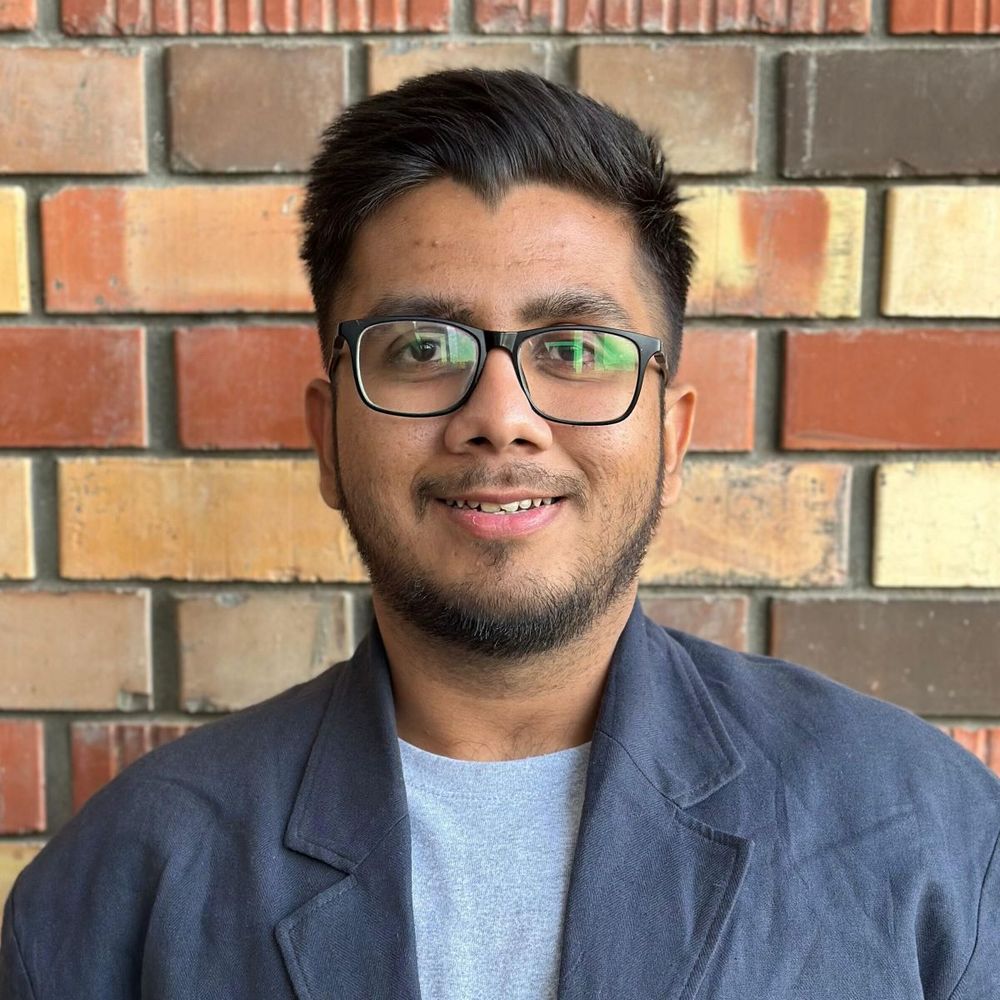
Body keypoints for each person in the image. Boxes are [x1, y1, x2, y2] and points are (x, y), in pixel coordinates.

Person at [2, 69, 997, 1000]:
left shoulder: (924, 833)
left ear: (672, 432)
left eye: (574, 347)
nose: (502, 414)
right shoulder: (125, 878)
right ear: (327, 435)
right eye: (421, 347)